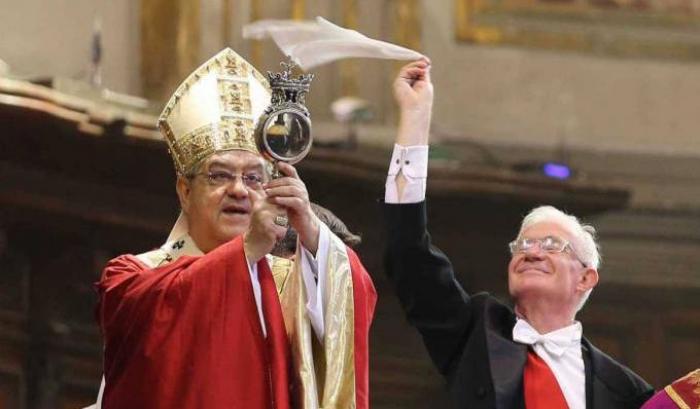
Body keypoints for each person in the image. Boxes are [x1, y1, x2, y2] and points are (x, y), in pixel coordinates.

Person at [93, 48, 376, 409]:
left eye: (254, 178)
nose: (240, 189)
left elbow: (353, 305)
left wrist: (312, 232)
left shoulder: (289, 283)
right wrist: (246, 250)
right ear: (184, 190)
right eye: (220, 175)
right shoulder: (132, 277)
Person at [382, 59, 653, 409]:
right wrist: (415, 119)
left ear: (586, 277)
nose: (532, 252)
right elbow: (408, 252)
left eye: (552, 245)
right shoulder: (474, 332)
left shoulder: (624, 390)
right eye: (523, 244)